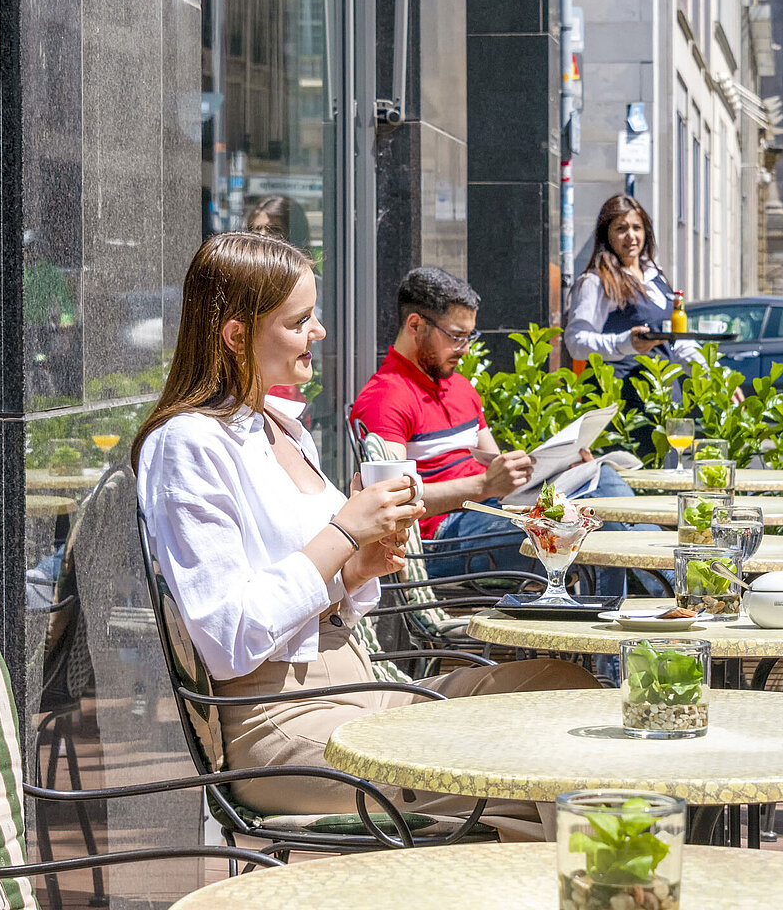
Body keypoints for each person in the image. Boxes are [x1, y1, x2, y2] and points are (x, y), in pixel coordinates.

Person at [133, 233, 596, 837]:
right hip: (279, 719)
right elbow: (227, 638)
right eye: (300, 321)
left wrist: (359, 567)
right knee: (523, 766)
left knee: (562, 690)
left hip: (359, 683)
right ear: (237, 335)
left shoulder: (281, 427)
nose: (319, 331)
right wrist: (345, 532)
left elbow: (319, 579)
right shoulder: (189, 443)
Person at [353, 266, 655, 584]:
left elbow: (497, 470)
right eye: (456, 337)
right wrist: (484, 486)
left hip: (490, 514)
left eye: (470, 337)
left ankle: (649, 596)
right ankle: (667, 590)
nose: (465, 349)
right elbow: (389, 500)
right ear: (415, 325)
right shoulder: (385, 397)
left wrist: (560, 468)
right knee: (587, 522)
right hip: (443, 538)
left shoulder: (460, 389)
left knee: (600, 483)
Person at [565, 194, 700, 373]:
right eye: (621, 229)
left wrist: (714, 376)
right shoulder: (596, 281)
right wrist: (625, 343)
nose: (631, 236)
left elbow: (679, 344)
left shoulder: (656, 277)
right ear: (606, 234)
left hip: (663, 389)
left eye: (637, 227)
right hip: (617, 388)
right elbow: (576, 342)